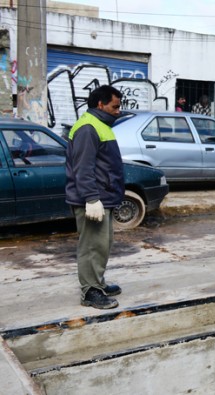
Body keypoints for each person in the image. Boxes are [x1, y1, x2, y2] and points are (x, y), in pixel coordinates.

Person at [64, 85, 124, 309]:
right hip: (92, 200)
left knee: (102, 244)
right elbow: (83, 168)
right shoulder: (88, 128)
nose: (118, 111)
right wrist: (91, 198)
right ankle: (90, 292)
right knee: (91, 246)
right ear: (100, 104)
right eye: (114, 106)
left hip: (102, 198)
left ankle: (97, 283)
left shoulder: (100, 125)